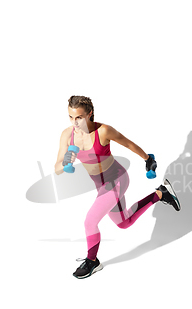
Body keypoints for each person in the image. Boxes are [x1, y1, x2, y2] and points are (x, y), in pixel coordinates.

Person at [54, 95, 181, 279]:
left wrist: (148, 159)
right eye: (71, 117)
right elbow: (57, 168)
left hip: (117, 179)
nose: (75, 122)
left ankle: (92, 261)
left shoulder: (103, 131)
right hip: (101, 185)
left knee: (90, 221)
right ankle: (161, 194)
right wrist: (65, 162)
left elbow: (128, 143)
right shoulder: (67, 135)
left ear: (89, 114)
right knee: (124, 222)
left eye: (79, 117)